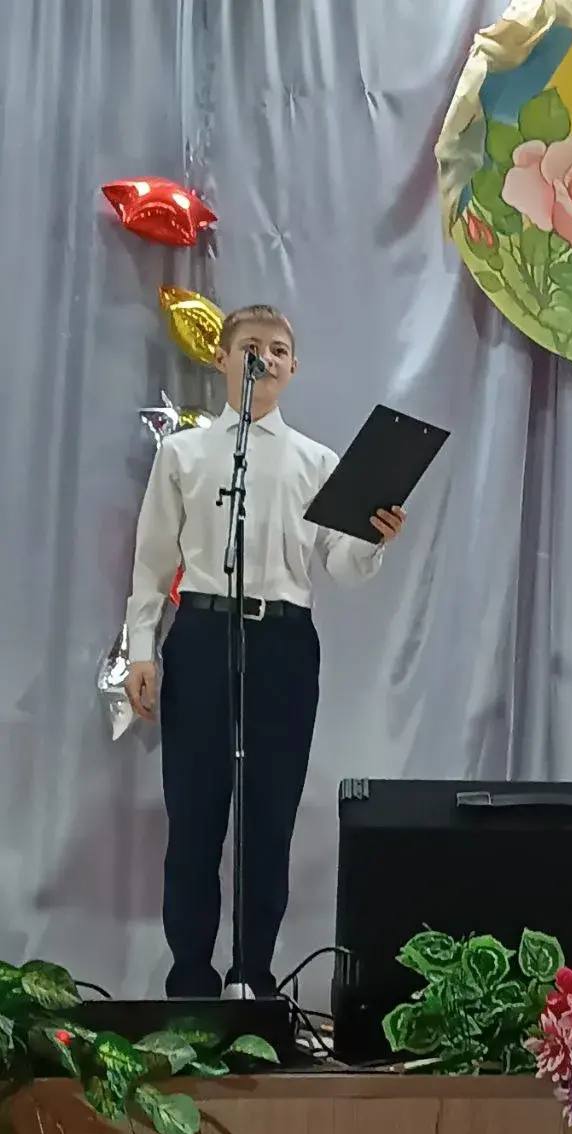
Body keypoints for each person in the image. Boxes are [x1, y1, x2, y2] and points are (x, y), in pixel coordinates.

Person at [124, 304, 406, 999]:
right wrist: (141, 650)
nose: (266, 358)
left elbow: (340, 566)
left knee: (268, 819)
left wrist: (373, 538)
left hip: (283, 643)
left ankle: (253, 980)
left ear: (294, 366)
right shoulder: (184, 454)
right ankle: (191, 984)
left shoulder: (318, 463)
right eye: (251, 346)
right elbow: (152, 562)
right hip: (201, 637)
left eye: (278, 349)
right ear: (223, 358)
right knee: (194, 818)